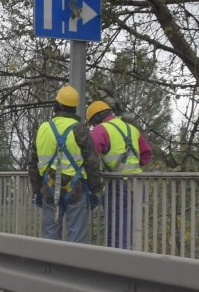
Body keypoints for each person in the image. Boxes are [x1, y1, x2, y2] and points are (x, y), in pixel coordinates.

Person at [29, 85, 103, 243]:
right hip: (75, 189)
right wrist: (96, 190)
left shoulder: (43, 128)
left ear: (59, 105)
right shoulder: (80, 129)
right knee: (77, 238)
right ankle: (76, 267)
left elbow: (33, 163)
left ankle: (49, 266)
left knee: (50, 236)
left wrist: (37, 191)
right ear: (74, 108)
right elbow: (92, 163)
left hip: (48, 188)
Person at [86, 100, 153, 249]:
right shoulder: (131, 129)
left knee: (116, 233)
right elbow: (147, 154)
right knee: (130, 229)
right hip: (136, 185)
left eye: (92, 123)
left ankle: (117, 267)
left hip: (117, 186)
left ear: (96, 118)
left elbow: (89, 157)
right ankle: (126, 263)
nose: (92, 126)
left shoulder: (100, 130)